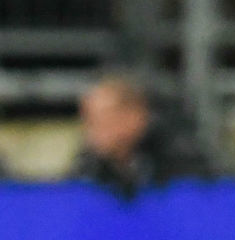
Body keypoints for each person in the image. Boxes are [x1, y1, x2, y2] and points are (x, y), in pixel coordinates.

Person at [70, 73, 211, 197]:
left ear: (136, 116)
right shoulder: (88, 166)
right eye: (90, 120)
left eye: (104, 119)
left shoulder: (181, 158)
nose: (93, 130)